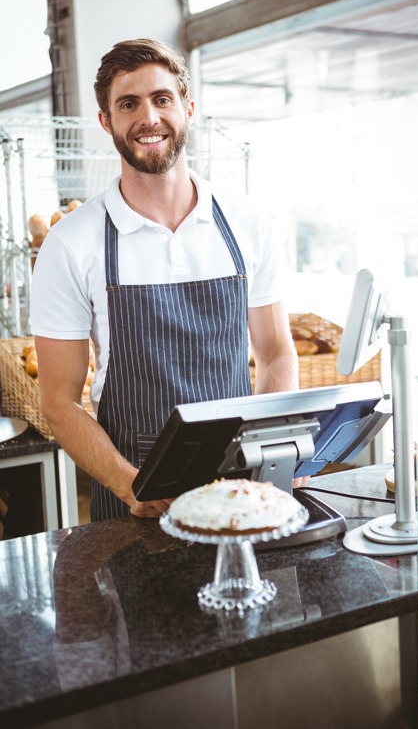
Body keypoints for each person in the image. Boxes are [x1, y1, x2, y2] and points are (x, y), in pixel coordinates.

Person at [29, 38, 301, 522]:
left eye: (162, 99)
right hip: (135, 497)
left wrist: (273, 448)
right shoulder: (70, 243)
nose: (148, 118)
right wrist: (129, 483)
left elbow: (277, 352)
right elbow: (58, 400)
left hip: (240, 489)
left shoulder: (248, 222)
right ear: (106, 121)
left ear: (188, 108)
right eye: (128, 104)